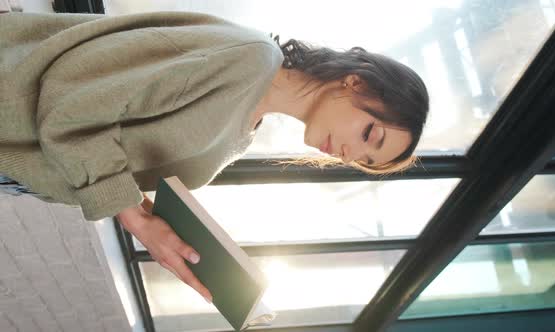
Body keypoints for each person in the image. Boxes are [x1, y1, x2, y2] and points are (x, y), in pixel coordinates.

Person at [1, 11, 429, 304]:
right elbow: (73, 104)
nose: (351, 154)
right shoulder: (247, 59)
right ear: (357, 83)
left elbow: (110, 155)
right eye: (370, 134)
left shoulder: (245, 133)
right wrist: (138, 221)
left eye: (363, 162)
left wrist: (166, 232)